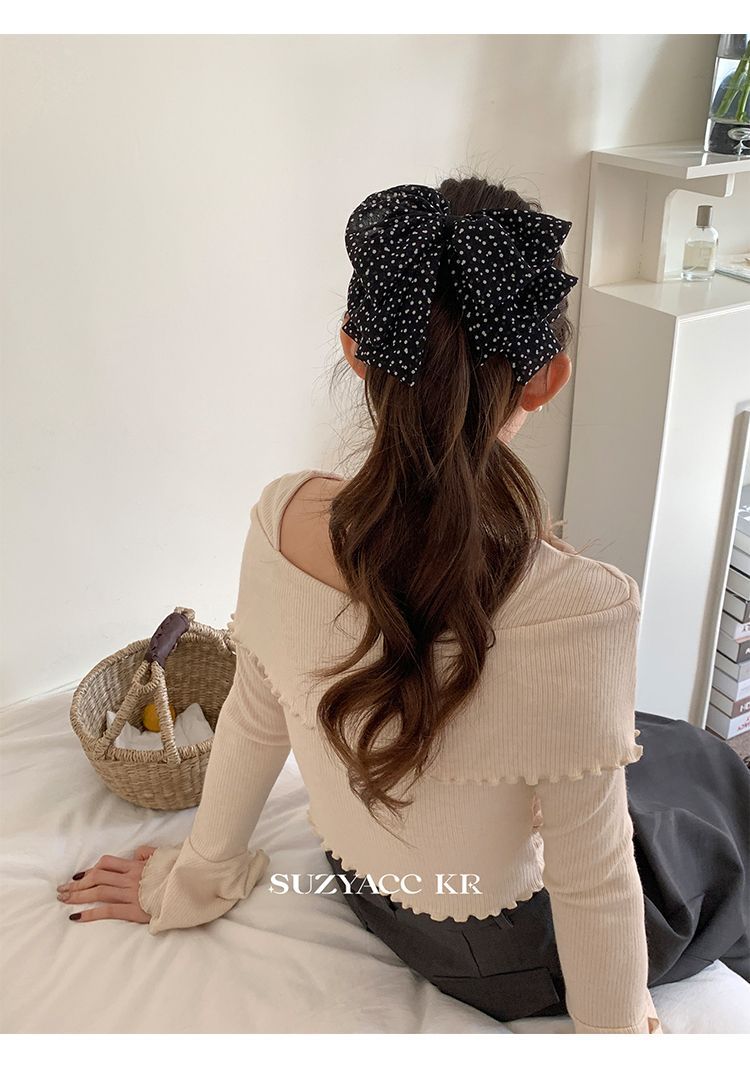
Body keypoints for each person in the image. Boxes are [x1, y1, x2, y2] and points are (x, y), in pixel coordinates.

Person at [56, 178, 750, 1035]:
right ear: (546, 380)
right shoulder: (584, 608)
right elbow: (593, 875)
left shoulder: (281, 520)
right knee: (715, 782)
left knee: (660, 745)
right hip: (507, 954)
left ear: (355, 348)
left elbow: (257, 714)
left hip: (361, 886)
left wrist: (197, 875)